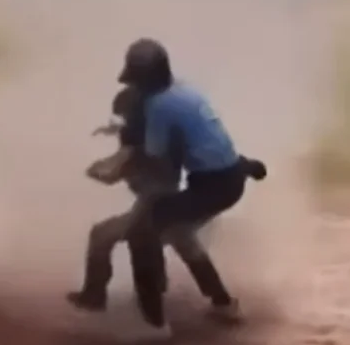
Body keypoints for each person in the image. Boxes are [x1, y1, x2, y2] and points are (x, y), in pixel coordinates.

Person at [104, 38, 267, 341]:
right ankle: (223, 304)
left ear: (145, 81)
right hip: (231, 175)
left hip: (213, 185)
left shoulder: (158, 106)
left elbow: (157, 158)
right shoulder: (184, 89)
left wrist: (120, 160)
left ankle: (152, 323)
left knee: (142, 234)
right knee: (180, 234)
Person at [67, 84, 241, 327]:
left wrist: (98, 170)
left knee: (104, 235)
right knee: (184, 243)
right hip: (168, 203)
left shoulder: (143, 146)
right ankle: (221, 302)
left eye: (126, 117)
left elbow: (113, 173)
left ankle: (98, 298)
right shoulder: (159, 135)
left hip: (154, 205)